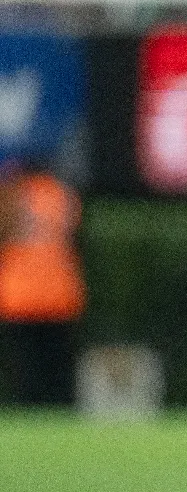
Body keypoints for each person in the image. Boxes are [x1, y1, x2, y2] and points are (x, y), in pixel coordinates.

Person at [0, 158, 86, 405]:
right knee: (57, 365)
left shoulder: (12, 193)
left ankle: (28, 406)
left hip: (19, 295)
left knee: (24, 367)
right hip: (60, 293)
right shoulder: (62, 195)